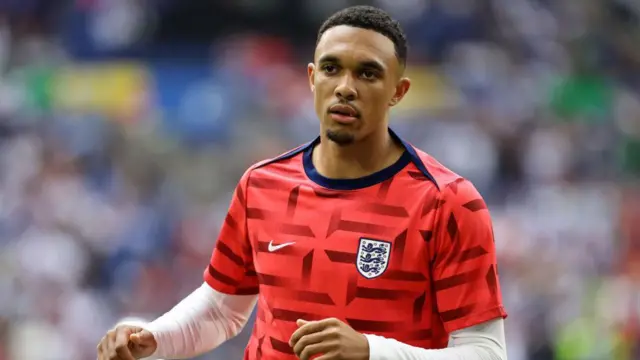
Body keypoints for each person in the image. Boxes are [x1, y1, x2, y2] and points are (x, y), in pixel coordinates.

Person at [97, 5, 508, 360]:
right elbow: (223, 309)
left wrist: (370, 351)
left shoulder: (447, 202)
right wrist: (154, 338)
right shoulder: (262, 184)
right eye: (332, 69)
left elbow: (486, 351)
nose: (345, 88)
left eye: (367, 73)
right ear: (312, 78)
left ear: (398, 91)